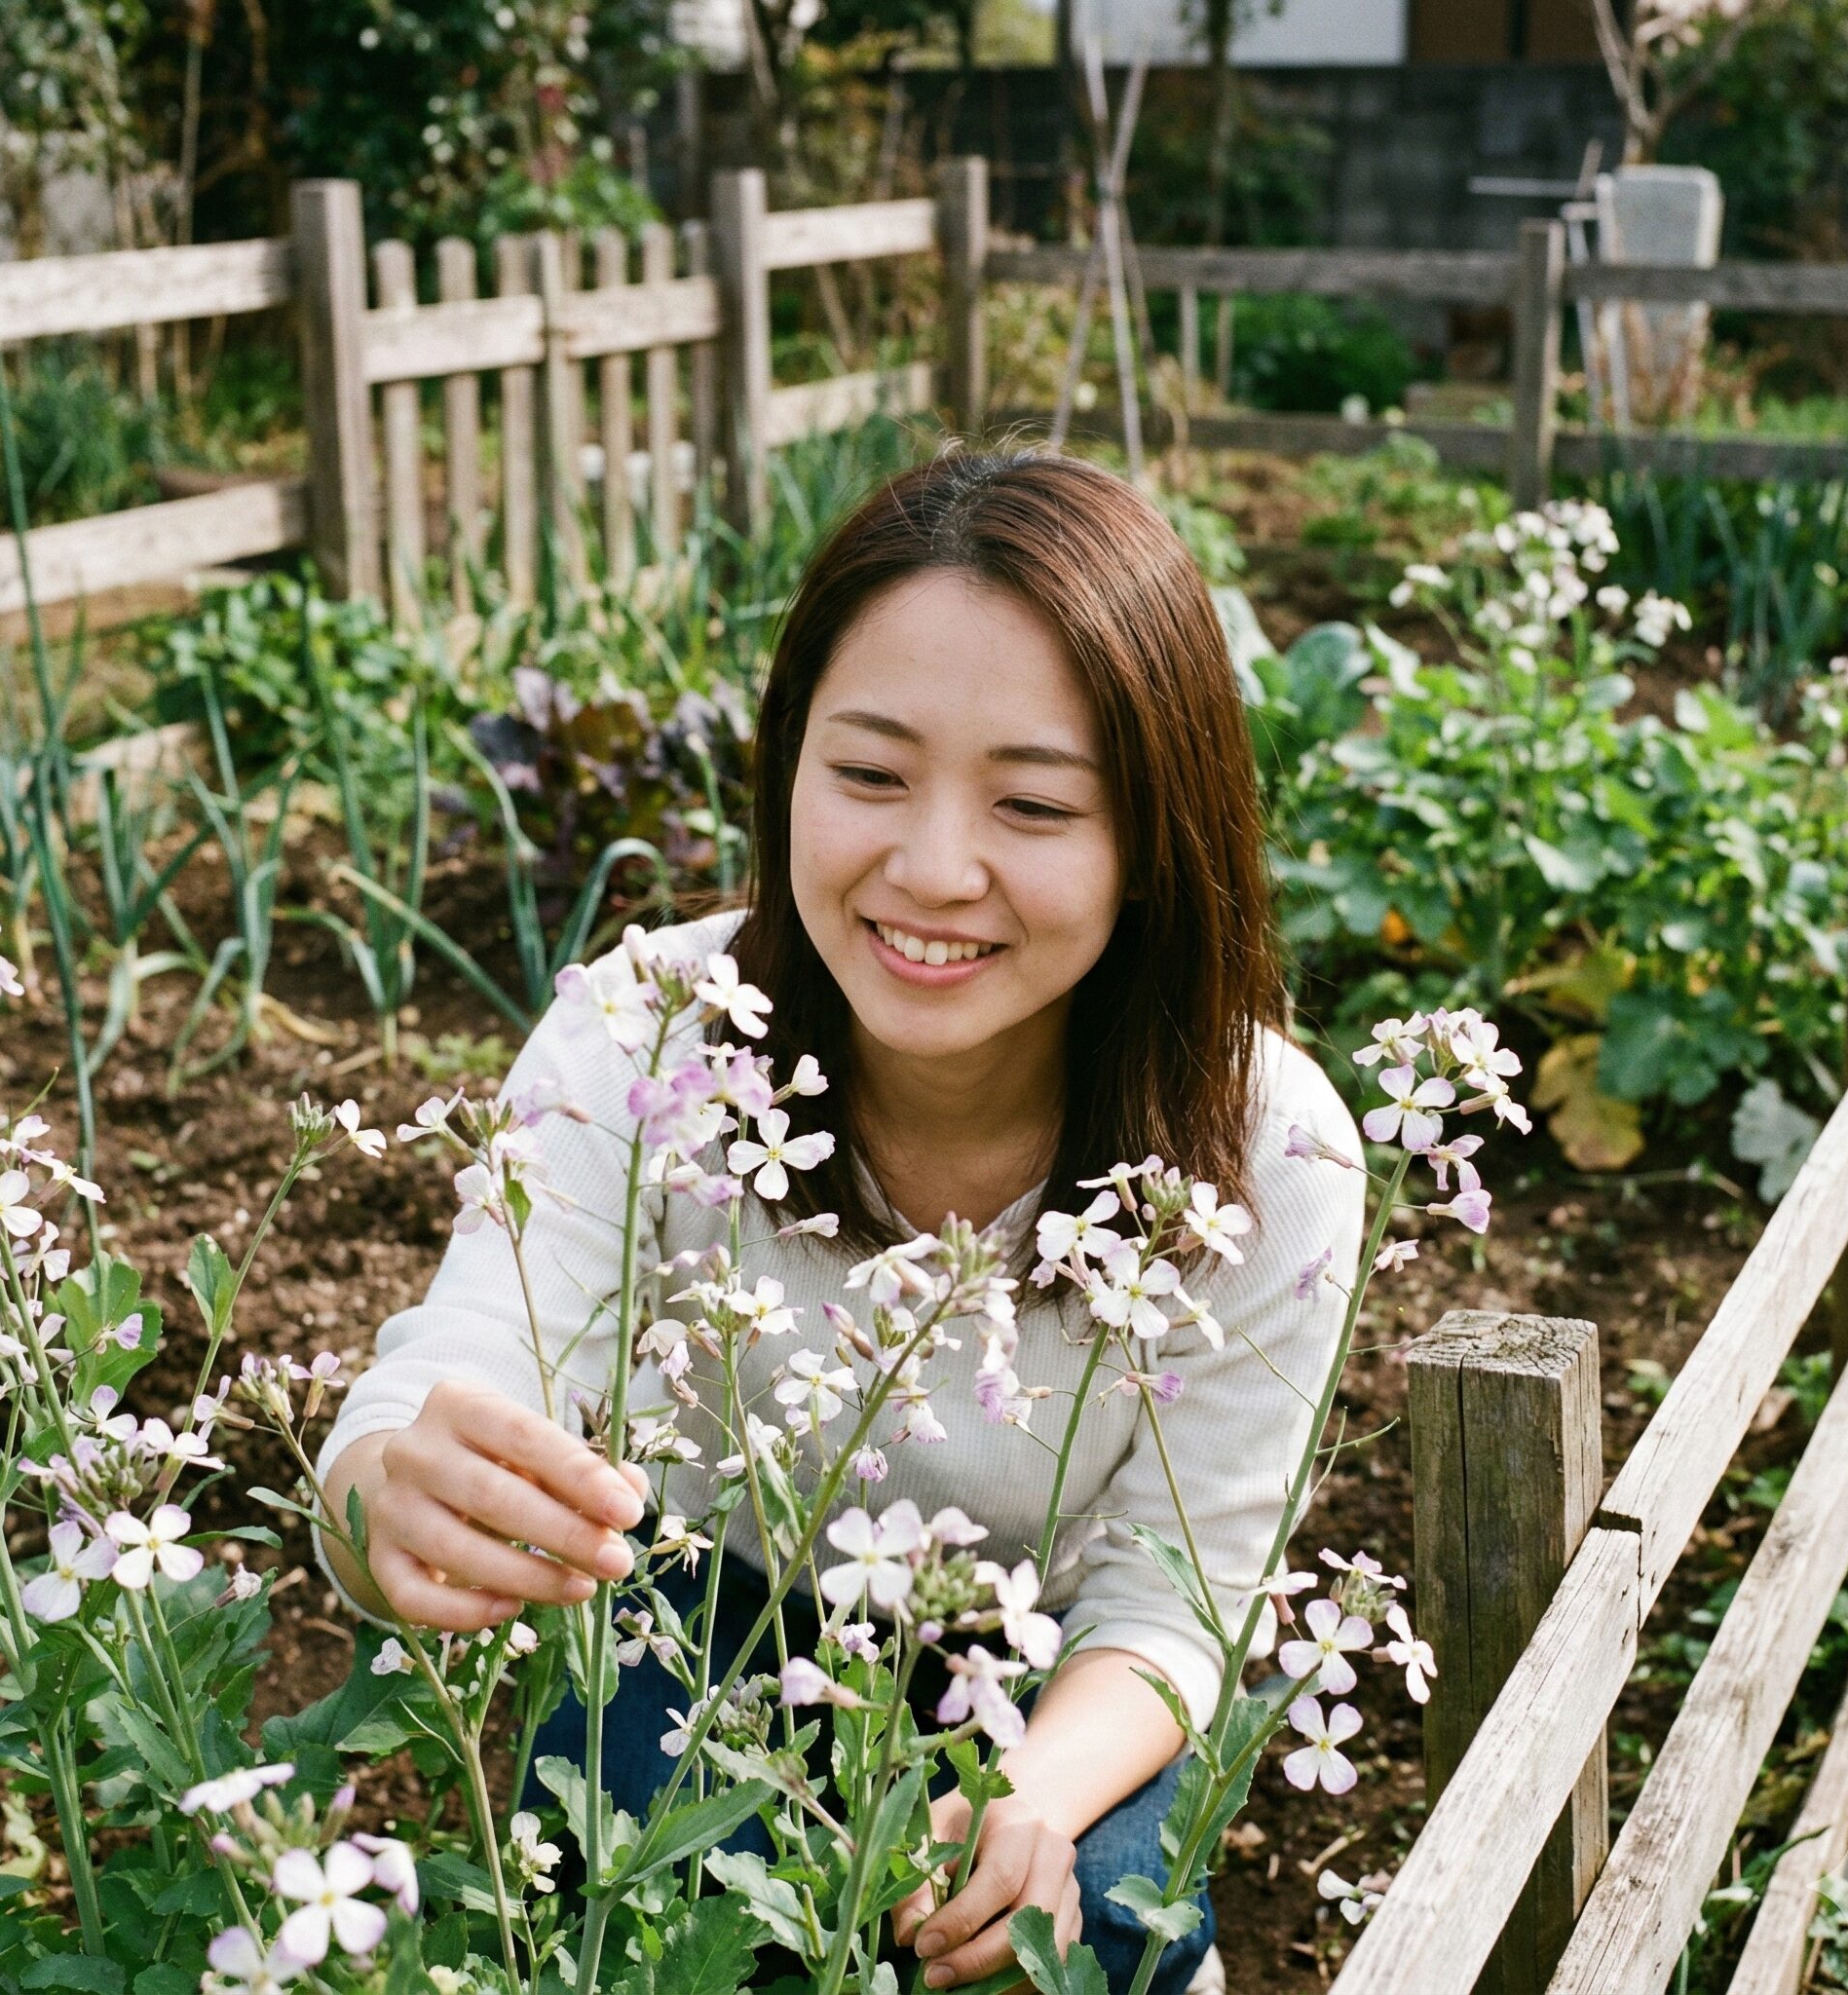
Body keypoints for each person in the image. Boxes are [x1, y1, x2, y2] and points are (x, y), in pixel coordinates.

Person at [316, 450, 1366, 1995]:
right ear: (787, 764)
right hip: (702, 1621)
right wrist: (381, 1491)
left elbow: (1170, 1602)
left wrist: (1023, 1801)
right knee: (637, 1887)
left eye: (1034, 804)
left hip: (1050, 1666)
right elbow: (473, 1352)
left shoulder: (1270, 1152)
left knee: (1081, 1921)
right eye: (869, 775)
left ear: (1155, 837)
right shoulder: (647, 1029)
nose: (932, 872)